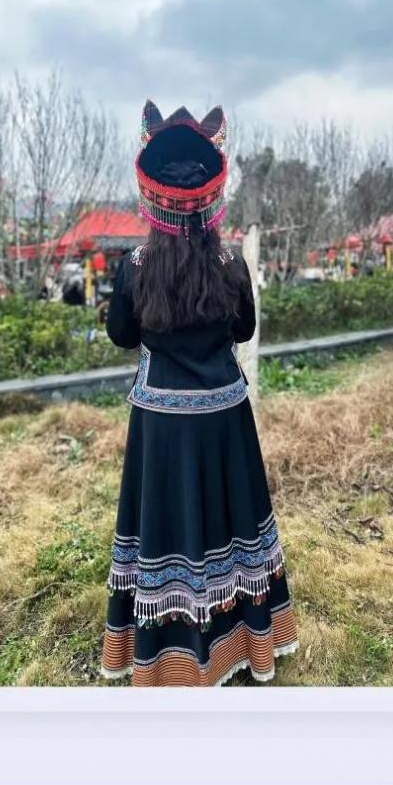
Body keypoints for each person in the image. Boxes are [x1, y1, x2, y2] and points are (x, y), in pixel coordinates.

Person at [100, 100, 298, 687]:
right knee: (231, 524)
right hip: (223, 416)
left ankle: (169, 654)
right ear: (213, 198)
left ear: (151, 197)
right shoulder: (232, 263)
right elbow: (244, 331)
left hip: (161, 421)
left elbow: (121, 336)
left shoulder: (135, 265)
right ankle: (245, 641)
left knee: (166, 529)